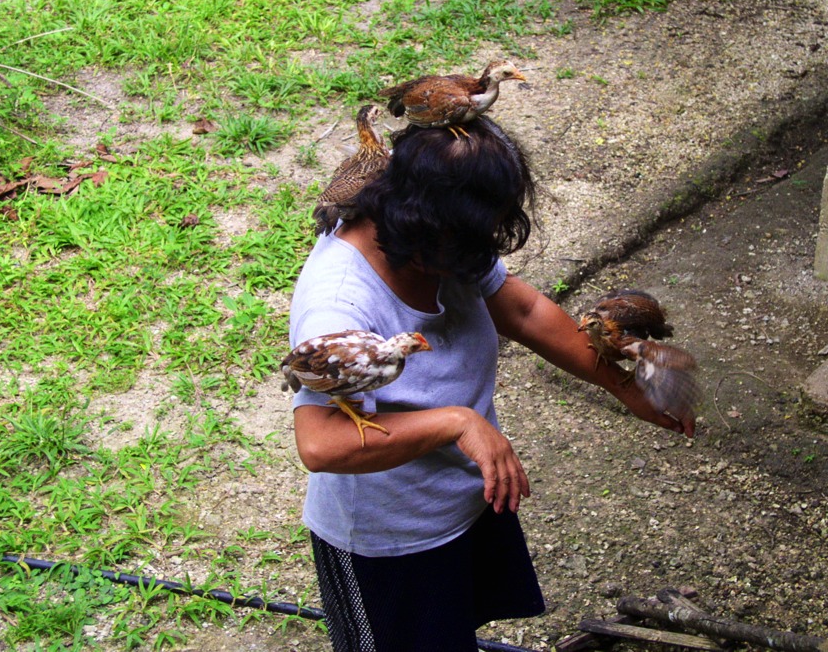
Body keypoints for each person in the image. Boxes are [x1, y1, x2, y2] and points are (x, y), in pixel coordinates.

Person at [289, 115, 694, 652]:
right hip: (388, 539)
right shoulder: (340, 303)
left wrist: (624, 386)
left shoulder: (441, 235)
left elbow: (522, 310)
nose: (485, 253)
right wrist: (458, 424)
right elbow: (320, 443)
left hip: (461, 500)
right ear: (426, 223)